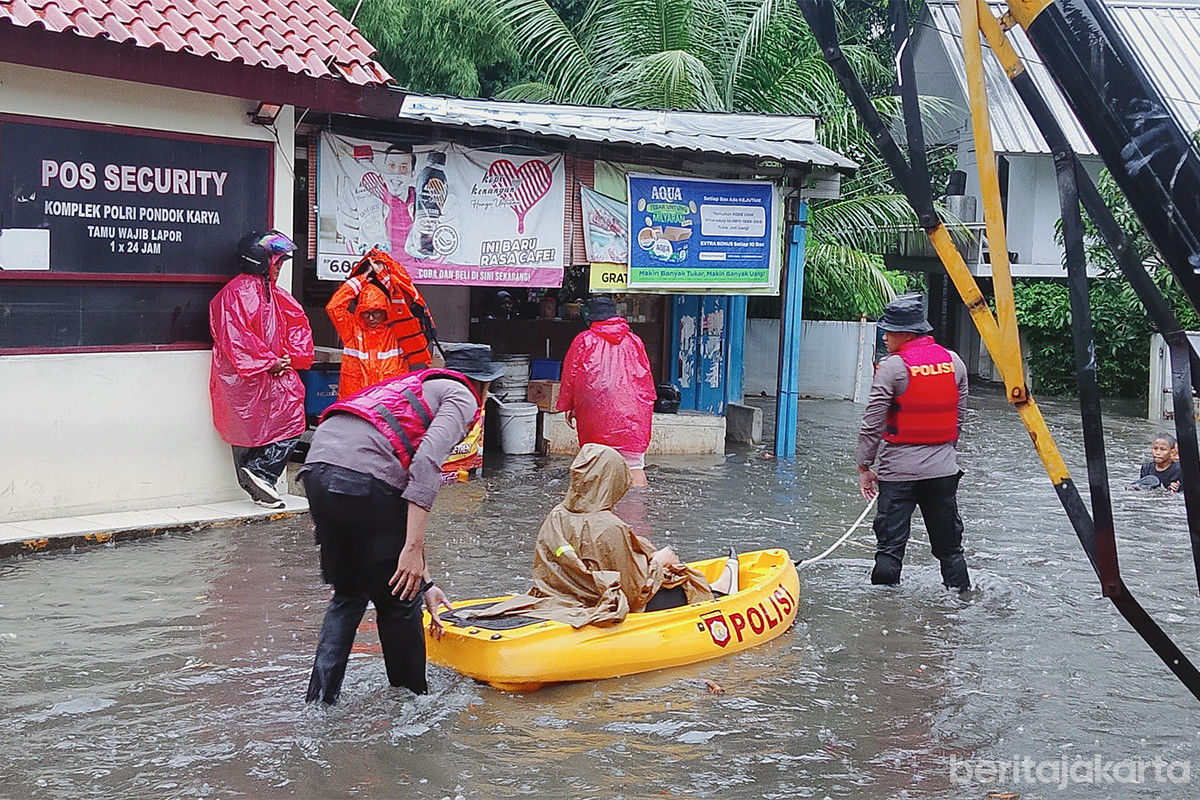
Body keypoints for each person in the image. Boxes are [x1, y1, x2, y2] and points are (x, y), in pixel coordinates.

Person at [301, 343, 505, 704]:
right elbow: (425, 463)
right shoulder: (462, 396)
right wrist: (412, 553)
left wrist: (427, 581)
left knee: (350, 594)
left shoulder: (415, 384)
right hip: (365, 478)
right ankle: (413, 703)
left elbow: (393, 511)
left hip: (317, 470)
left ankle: (319, 702)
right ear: (483, 386)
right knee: (399, 597)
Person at [474, 443, 736, 628]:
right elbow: (634, 595)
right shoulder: (610, 527)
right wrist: (659, 562)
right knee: (686, 583)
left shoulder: (556, 516)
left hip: (561, 596)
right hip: (597, 602)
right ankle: (721, 591)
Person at [855, 293, 971, 591]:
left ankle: (882, 613)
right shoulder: (954, 362)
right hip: (944, 473)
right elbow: (959, 418)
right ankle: (960, 601)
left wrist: (864, 466)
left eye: (889, 331)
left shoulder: (892, 368)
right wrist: (942, 453)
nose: (884, 337)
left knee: (889, 551)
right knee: (951, 551)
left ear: (908, 334)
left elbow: (872, 423)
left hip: (899, 475)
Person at [209, 230, 313, 509]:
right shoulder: (234, 295)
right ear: (259, 261)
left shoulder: (273, 294)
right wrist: (271, 361)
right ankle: (259, 478)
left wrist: (289, 358)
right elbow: (235, 338)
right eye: (276, 261)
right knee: (247, 428)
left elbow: (297, 327)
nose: (279, 267)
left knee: (290, 417)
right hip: (246, 378)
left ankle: (260, 477)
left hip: (268, 375)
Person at [557, 296, 657, 486]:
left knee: (596, 468)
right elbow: (646, 383)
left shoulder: (584, 340)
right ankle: (637, 511)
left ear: (592, 317)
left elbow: (570, 377)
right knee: (634, 467)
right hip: (632, 416)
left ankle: (600, 513)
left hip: (595, 416)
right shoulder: (634, 341)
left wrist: (568, 406)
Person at [326, 248, 435, 399]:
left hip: (388, 402)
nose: (371, 318)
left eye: (376, 312)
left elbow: (404, 299)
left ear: (385, 311)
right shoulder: (352, 329)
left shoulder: (398, 330)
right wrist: (360, 280)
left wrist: (383, 275)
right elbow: (334, 307)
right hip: (357, 401)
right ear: (360, 312)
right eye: (366, 313)